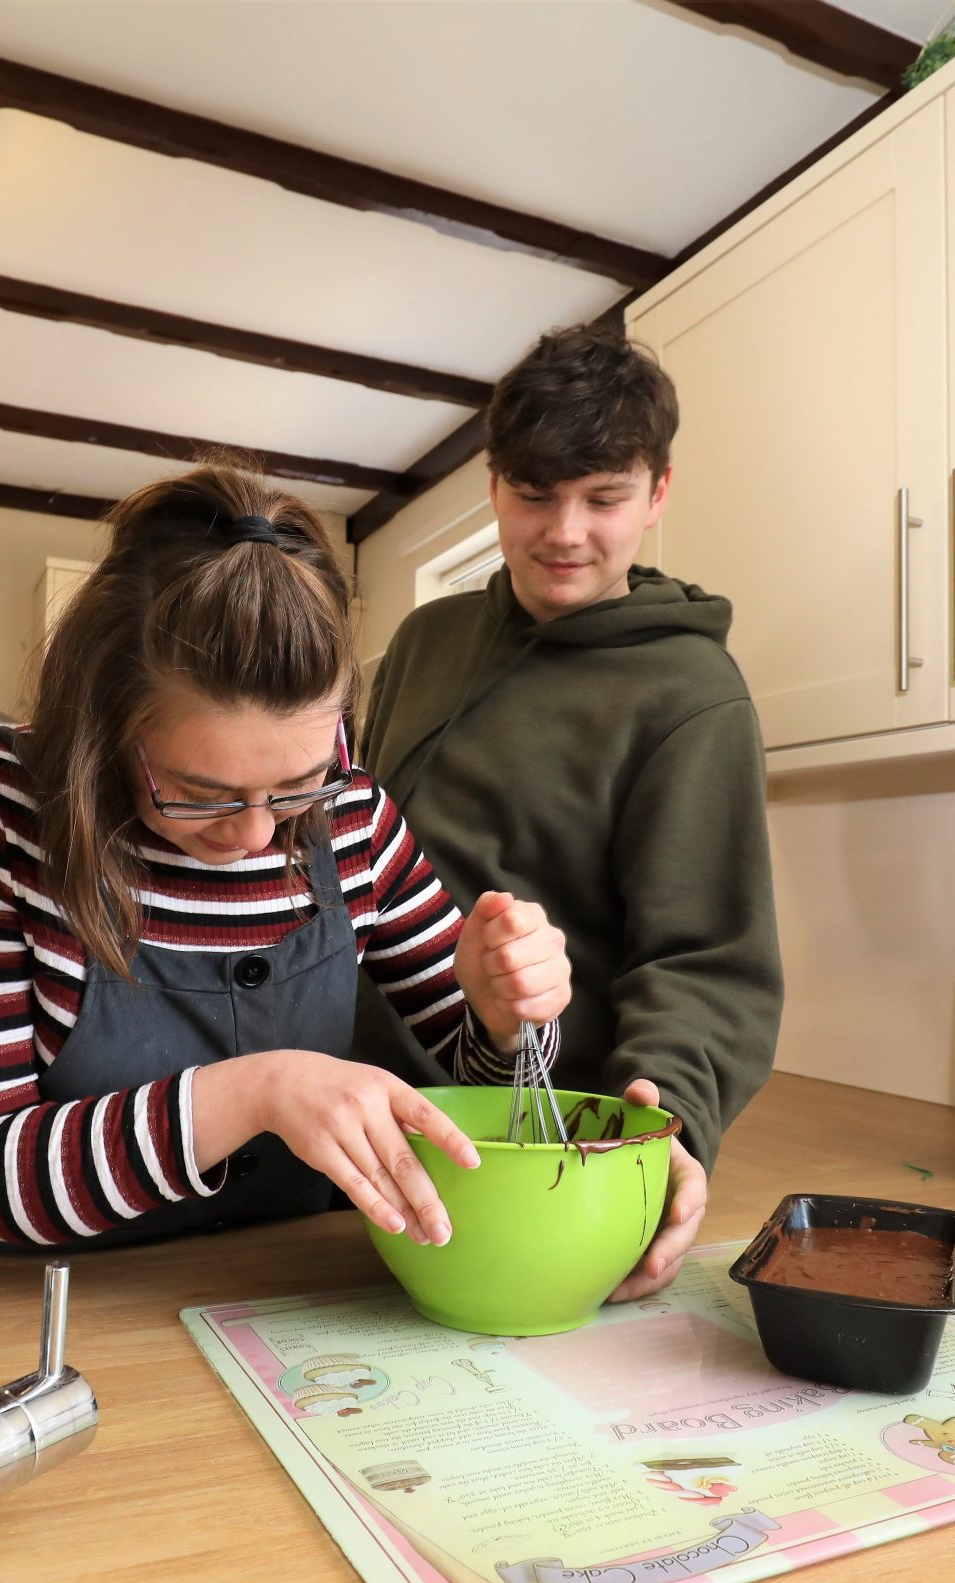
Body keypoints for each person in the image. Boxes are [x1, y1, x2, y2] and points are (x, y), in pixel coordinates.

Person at [0, 462, 571, 1250]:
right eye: (201, 791)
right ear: (106, 717)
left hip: (285, 1298)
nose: (257, 834)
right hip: (57, 1313)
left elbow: (484, 1085)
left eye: (298, 784)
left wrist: (507, 1018)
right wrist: (255, 1091)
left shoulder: (353, 814)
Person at [355, 322, 783, 1300]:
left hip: (527, 1165)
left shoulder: (692, 693)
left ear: (658, 493)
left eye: (604, 499)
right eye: (534, 494)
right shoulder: (426, 639)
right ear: (493, 483)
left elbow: (706, 960)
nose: (564, 532)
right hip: (361, 1123)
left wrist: (665, 1117)